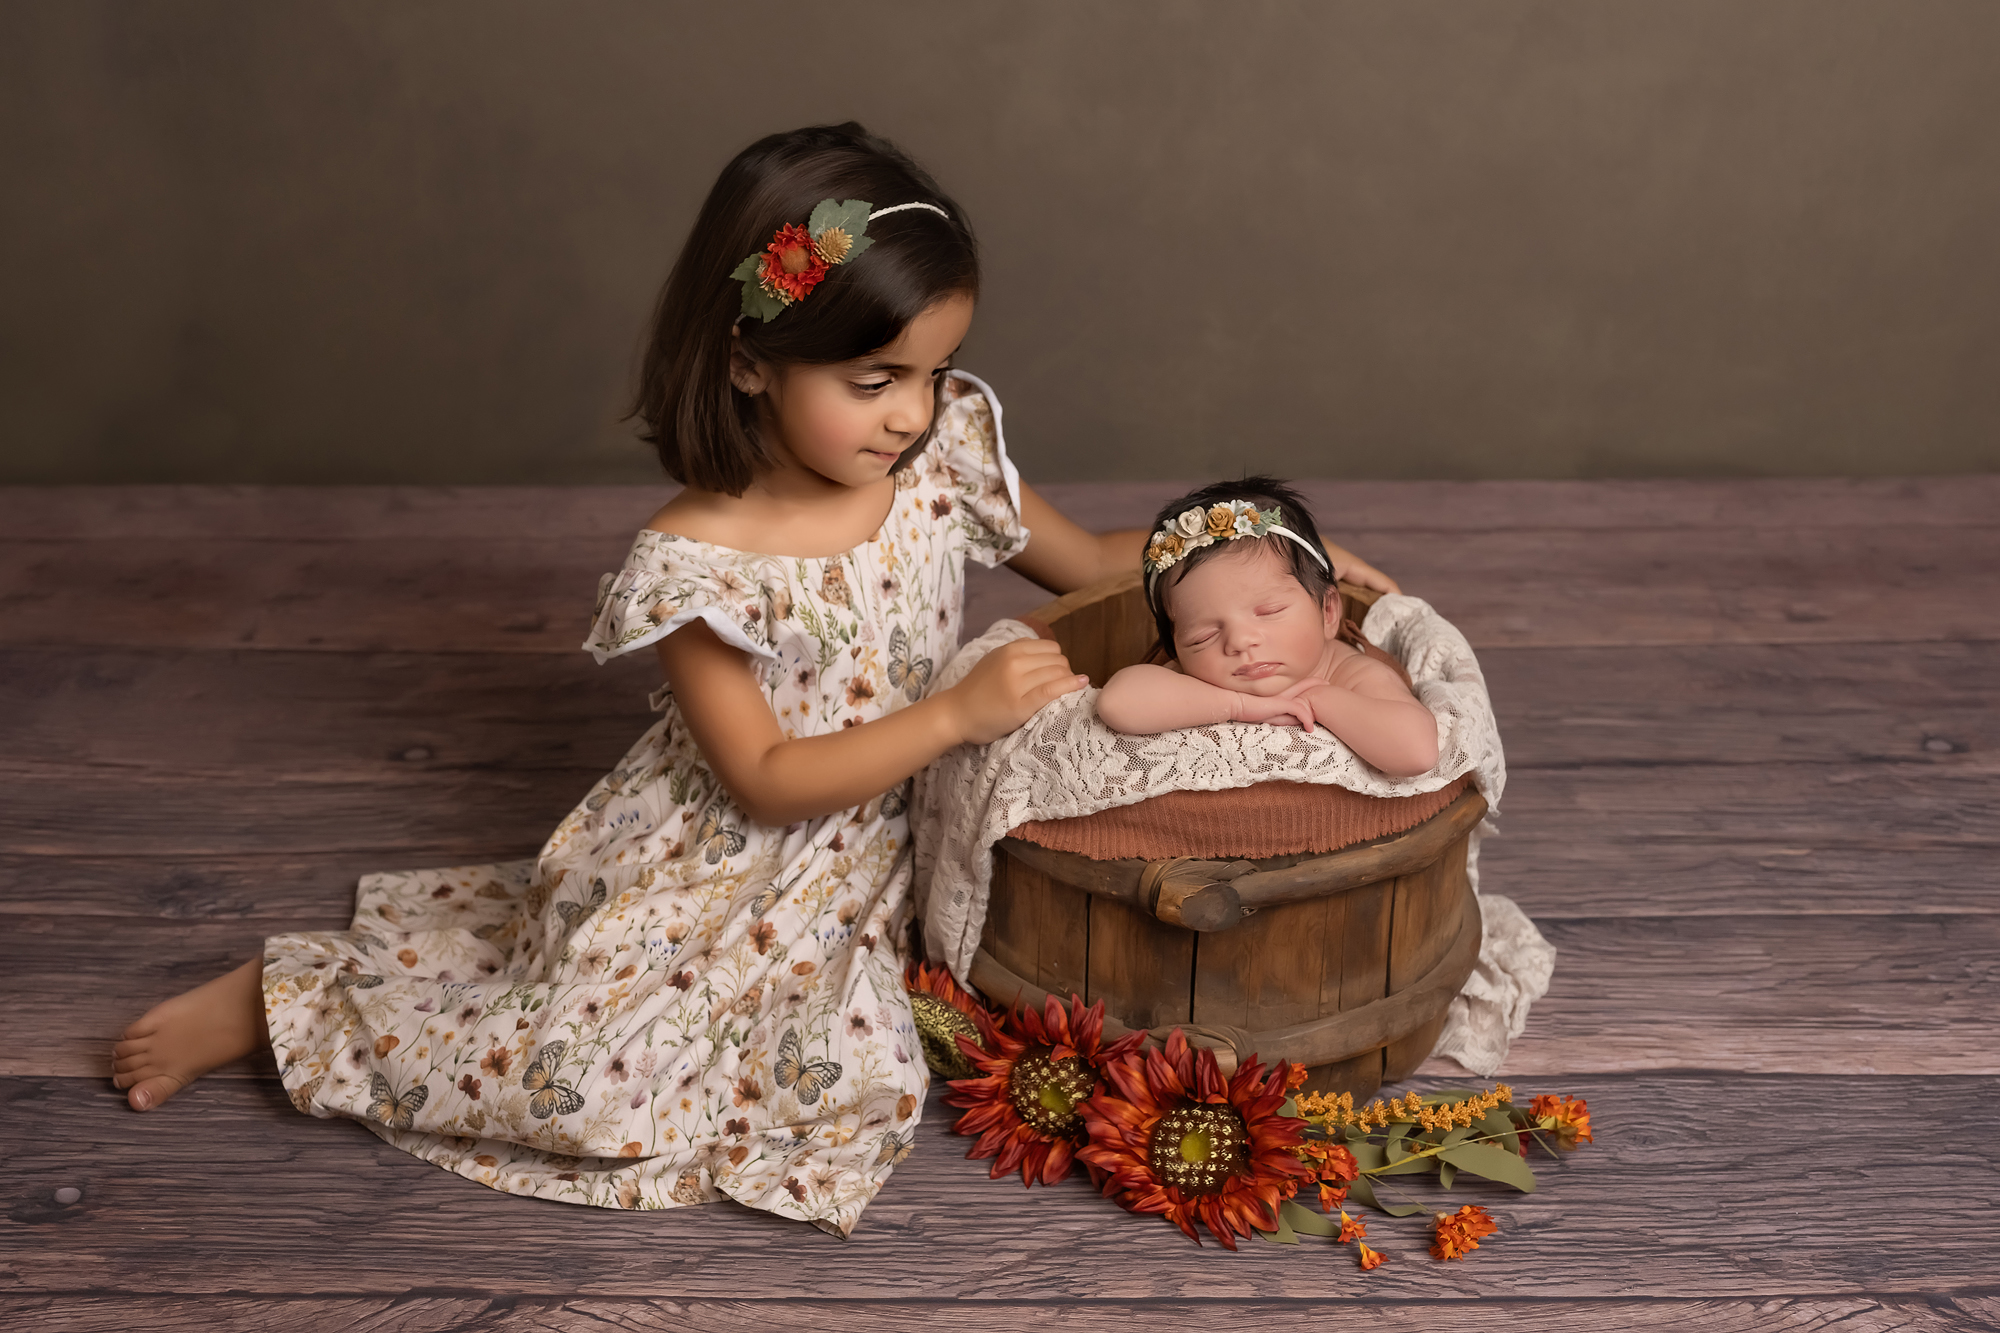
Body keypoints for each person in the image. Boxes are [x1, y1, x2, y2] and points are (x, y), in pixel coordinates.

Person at [109, 124, 1396, 1234]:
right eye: (872, 379)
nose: (911, 410)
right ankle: (295, 1004)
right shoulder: (700, 563)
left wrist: (1249, 543)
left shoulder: (937, 459)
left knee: (875, 1036)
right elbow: (767, 780)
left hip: (888, 836)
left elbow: (1086, 562)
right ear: (746, 362)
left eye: (933, 371)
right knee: (596, 1074)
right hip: (730, 850)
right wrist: (948, 713)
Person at [1096, 478, 1437, 777]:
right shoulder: (1196, 679)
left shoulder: (1350, 674)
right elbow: (1117, 703)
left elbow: (1418, 751)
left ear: (1328, 612)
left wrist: (1317, 698)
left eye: (1269, 611)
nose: (1240, 642)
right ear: (1175, 648)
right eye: (1205, 635)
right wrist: (1238, 707)